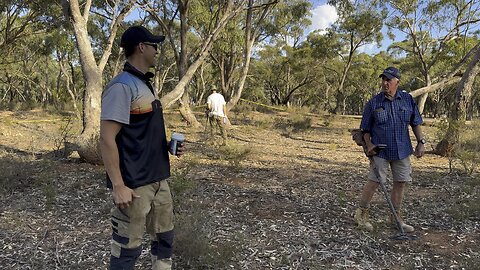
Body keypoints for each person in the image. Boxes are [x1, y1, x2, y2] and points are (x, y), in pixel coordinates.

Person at [99, 25, 184, 270]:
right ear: (142, 47)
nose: (157, 50)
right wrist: (118, 186)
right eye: (154, 45)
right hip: (134, 185)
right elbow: (107, 139)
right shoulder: (121, 86)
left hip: (158, 179)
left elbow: (139, 130)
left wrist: (167, 146)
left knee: (164, 241)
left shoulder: (145, 84)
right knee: (127, 250)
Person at [354, 66, 426, 232]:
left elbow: (415, 122)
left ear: (397, 82)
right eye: (383, 80)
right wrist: (369, 145)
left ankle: (395, 218)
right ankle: (361, 214)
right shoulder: (373, 103)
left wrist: (421, 142)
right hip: (381, 150)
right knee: (374, 181)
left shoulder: (407, 100)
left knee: (400, 182)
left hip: (402, 150)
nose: (385, 83)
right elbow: (365, 129)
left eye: (389, 80)